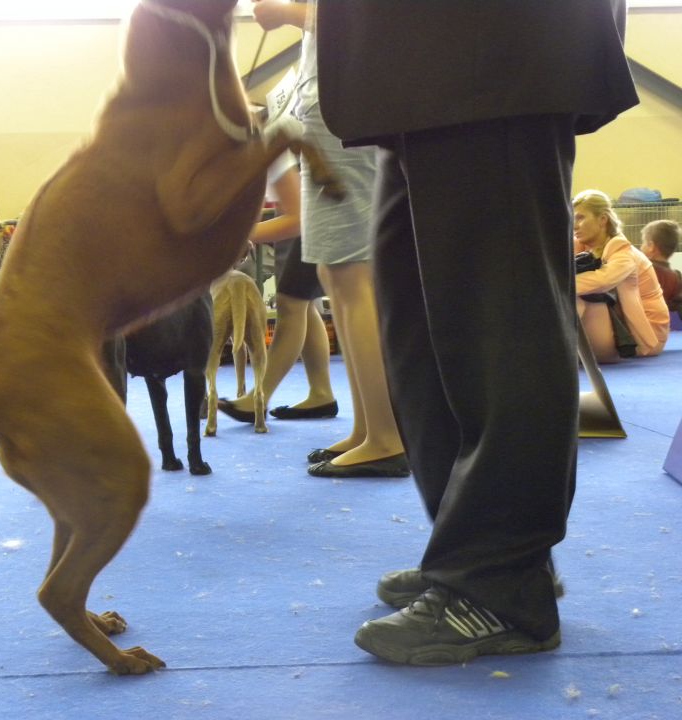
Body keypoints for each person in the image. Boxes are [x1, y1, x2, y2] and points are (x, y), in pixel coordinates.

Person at [315, 0, 639, 665]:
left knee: (502, 322)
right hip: (412, 66)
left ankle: (501, 582)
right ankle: (473, 552)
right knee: (423, 334)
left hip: (490, 43)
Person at [246, 0, 406, 480]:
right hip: (328, 111)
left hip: (340, 113)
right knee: (336, 276)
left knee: (351, 277)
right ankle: (367, 429)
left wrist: (285, 13)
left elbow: (361, 20)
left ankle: (386, 436)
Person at [217, 150, 338, 423]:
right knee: (302, 302)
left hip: (316, 205)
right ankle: (321, 393)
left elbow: (296, 220)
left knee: (291, 301)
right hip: (309, 199)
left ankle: (258, 397)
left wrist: (237, 235)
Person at [574, 190, 670, 362]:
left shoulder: (622, 250)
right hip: (616, 323)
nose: (574, 225)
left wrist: (552, 286)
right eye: (572, 219)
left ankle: (552, 349)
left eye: (580, 218)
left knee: (581, 296)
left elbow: (602, 281)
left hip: (643, 335)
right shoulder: (582, 244)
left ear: (603, 219)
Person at [640, 219, 682, 316]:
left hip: (641, 322)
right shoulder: (676, 276)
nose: (641, 247)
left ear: (651, 246)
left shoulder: (643, 270)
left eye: (643, 243)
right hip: (661, 324)